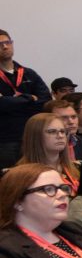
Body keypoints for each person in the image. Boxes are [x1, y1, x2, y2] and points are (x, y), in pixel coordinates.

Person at [0, 29, 49, 169]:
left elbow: (45, 100)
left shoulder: (28, 73)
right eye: (0, 44)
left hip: (34, 137)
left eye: (7, 42)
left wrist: (11, 102)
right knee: (11, 180)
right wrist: (30, 99)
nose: (4, 46)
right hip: (6, 140)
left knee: (37, 174)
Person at [20, 112, 79, 192]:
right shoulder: (21, 175)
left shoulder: (77, 168)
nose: (60, 136)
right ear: (36, 136)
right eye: (52, 131)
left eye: (62, 131)